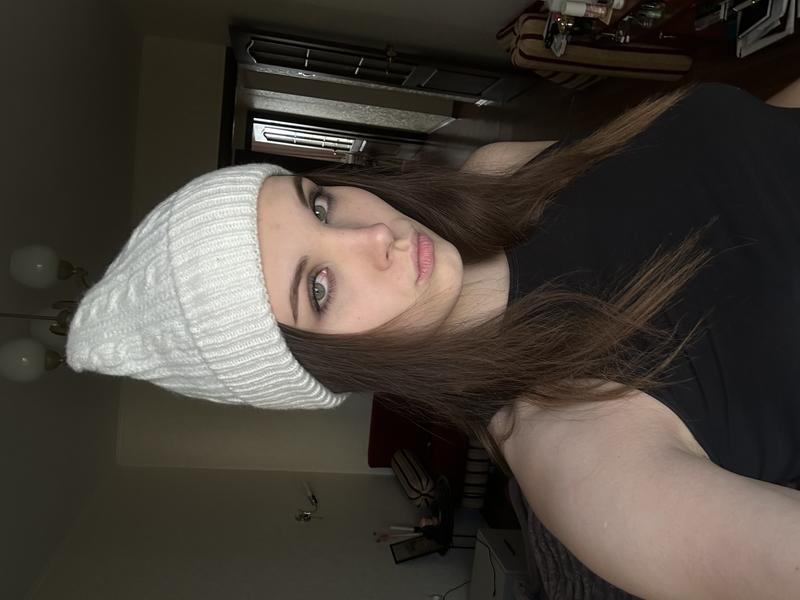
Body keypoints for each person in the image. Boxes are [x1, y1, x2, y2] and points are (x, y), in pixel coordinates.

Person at [65, 79, 800, 598]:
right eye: (318, 288)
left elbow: (755, 139)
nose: (372, 236)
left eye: (318, 205)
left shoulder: (501, 172)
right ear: (326, 366)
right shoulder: (578, 452)